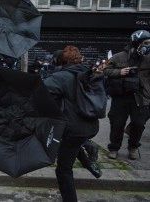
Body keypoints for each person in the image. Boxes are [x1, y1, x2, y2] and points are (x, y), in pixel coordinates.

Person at [43, 45, 100, 202]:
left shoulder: (59, 77)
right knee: (71, 145)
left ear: (60, 61)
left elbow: (41, 96)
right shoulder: (88, 73)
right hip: (90, 126)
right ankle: (90, 165)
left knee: (63, 170)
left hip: (73, 129)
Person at [104, 30, 150, 160]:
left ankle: (133, 147)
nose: (148, 46)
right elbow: (104, 70)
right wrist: (119, 72)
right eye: (146, 43)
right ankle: (114, 148)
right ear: (136, 43)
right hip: (121, 97)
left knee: (138, 124)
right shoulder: (119, 57)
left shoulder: (149, 57)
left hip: (141, 97)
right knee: (117, 124)